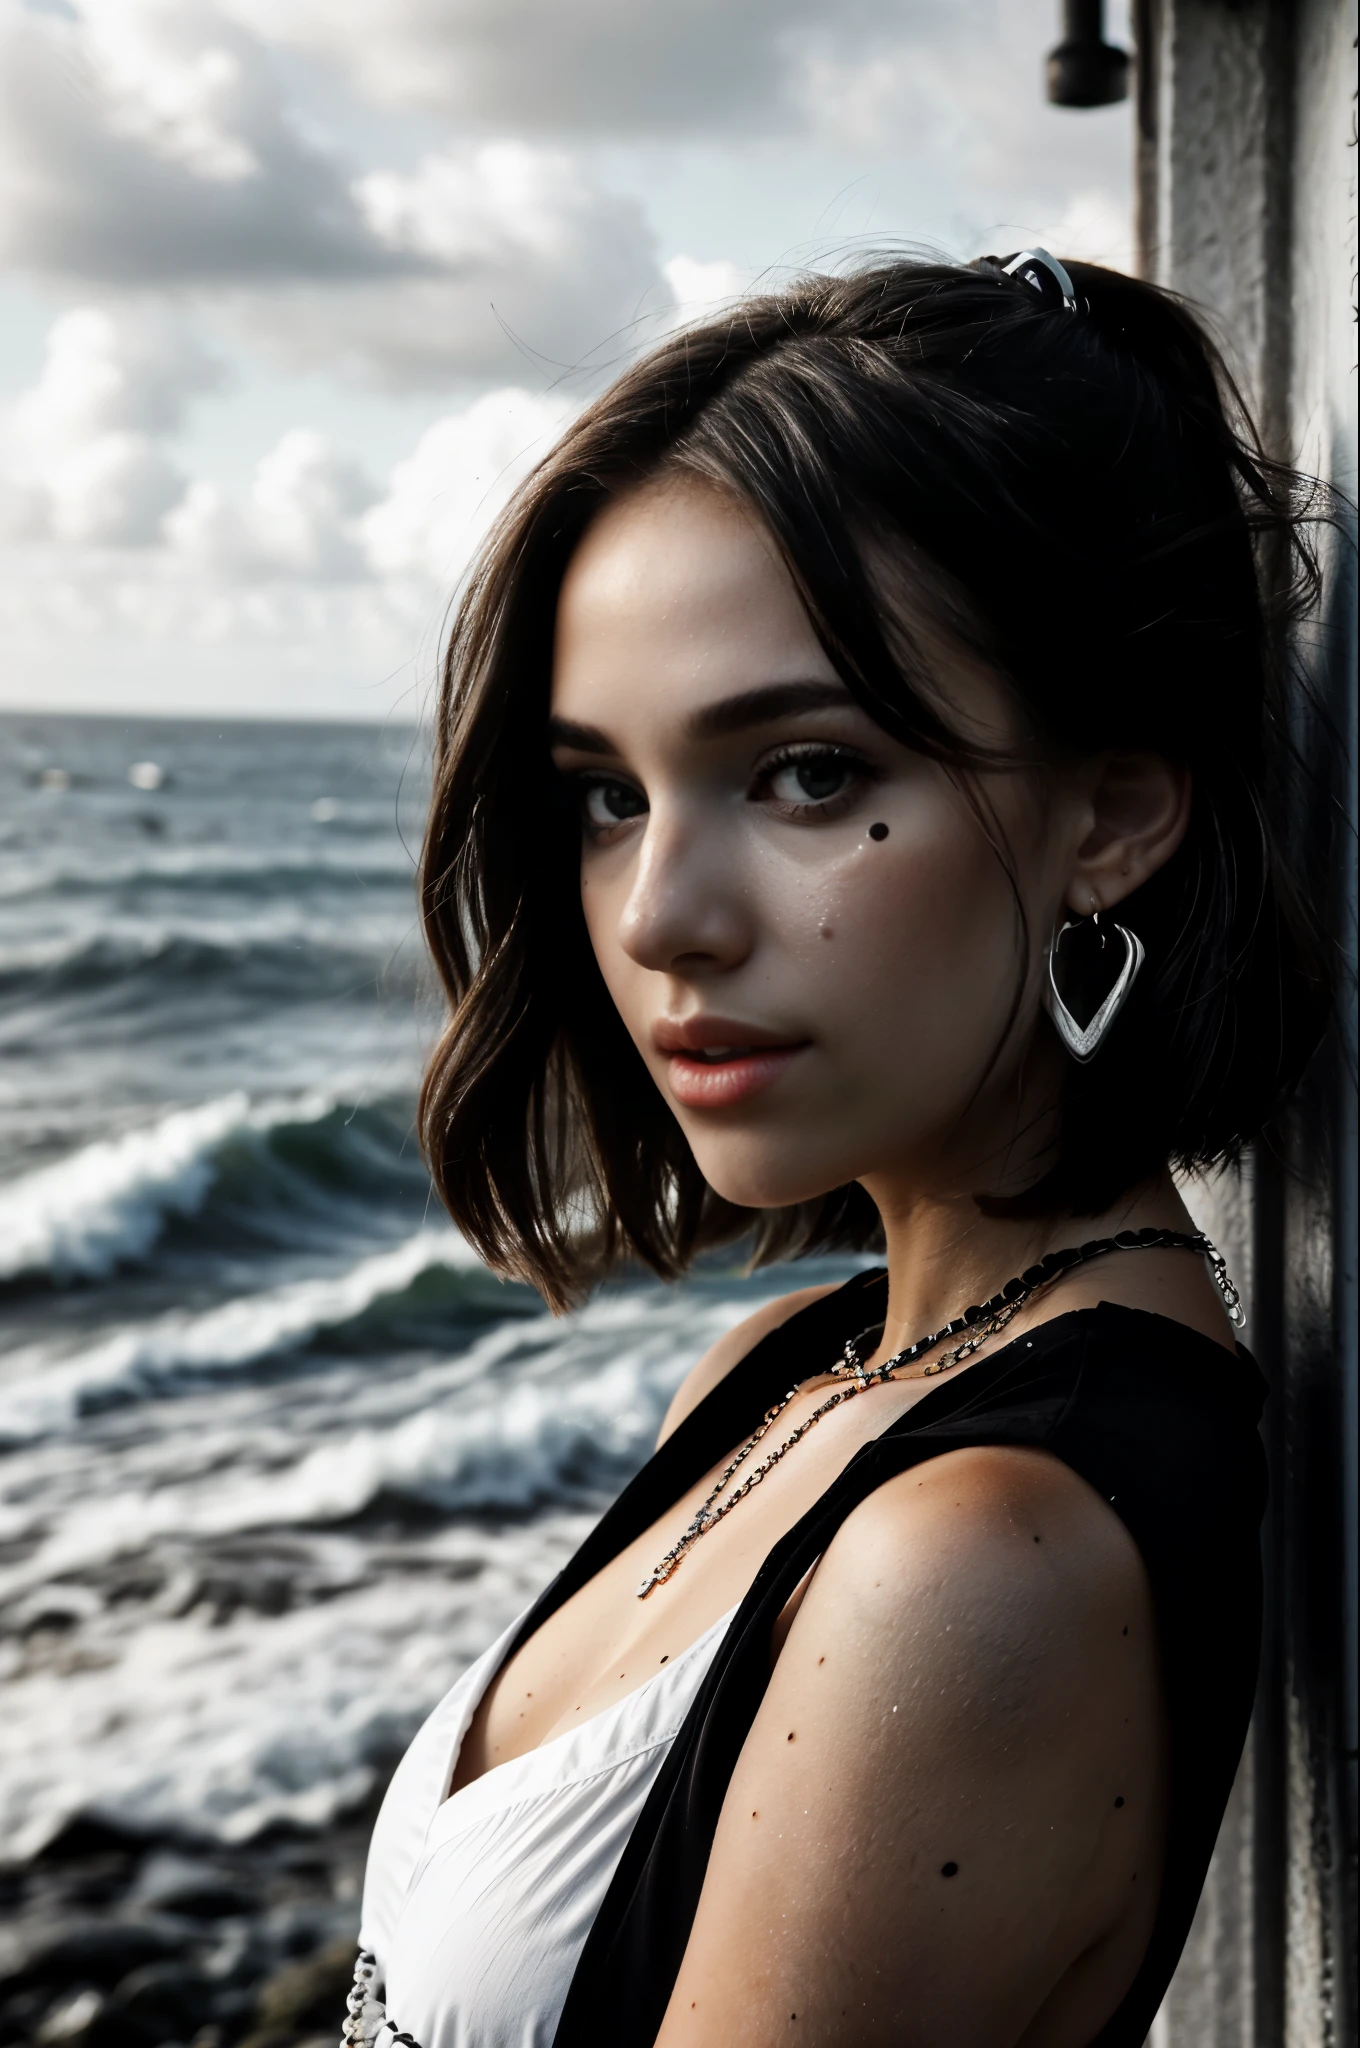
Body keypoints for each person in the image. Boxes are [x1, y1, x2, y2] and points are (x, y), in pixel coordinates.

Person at [345, 252, 1330, 2047]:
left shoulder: (982, 1558)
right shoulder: (783, 1373)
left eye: (803, 773)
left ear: (1112, 811)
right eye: (604, 796)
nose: (658, 918)